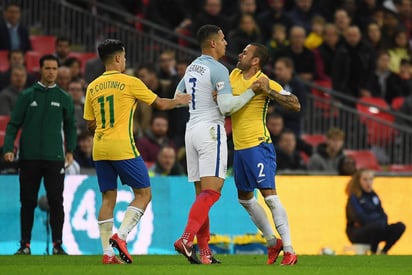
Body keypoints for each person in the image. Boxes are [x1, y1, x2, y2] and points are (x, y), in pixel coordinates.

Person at [83, 39, 191, 264]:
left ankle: (107, 253)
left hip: (100, 148)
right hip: (122, 146)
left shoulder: (92, 86)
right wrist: (180, 101)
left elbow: (89, 125)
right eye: (124, 57)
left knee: (108, 198)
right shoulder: (129, 82)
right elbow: (160, 104)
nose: (124, 61)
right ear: (117, 58)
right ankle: (120, 237)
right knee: (144, 194)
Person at [173, 24, 261, 265]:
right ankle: (186, 238)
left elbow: (178, 97)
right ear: (212, 43)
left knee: (202, 195)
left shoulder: (193, 66)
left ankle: (204, 253)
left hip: (191, 130)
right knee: (212, 193)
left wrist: (201, 99)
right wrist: (251, 92)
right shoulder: (219, 69)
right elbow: (227, 108)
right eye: (223, 39)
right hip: (211, 130)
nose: (226, 43)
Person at [230, 42, 300, 265]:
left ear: (255, 60)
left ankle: (289, 249)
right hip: (240, 148)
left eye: (245, 52)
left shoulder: (264, 81)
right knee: (245, 199)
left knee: (270, 196)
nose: (240, 54)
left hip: (258, 145)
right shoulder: (233, 74)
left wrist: (268, 92)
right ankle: (272, 242)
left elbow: (295, 104)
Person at [3, 54, 77, 255]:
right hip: (29, 158)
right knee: (27, 201)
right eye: (48, 68)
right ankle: (25, 245)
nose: (51, 72)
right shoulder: (27, 95)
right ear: (40, 70)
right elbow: (13, 124)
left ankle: (57, 244)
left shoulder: (64, 98)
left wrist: (70, 149)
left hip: (55, 158)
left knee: (56, 201)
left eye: (54, 68)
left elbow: (71, 127)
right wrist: (8, 148)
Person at [345, 169, 406, 254]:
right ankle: (373, 252)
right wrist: (377, 220)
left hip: (377, 229)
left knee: (400, 226)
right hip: (358, 232)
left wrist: (378, 220)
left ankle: (384, 251)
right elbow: (360, 217)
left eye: (370, 179)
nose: (368, 182)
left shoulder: (374, 196)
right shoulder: (354, 197)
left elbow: (383, 215)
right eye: (365, 179)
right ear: (358, 181)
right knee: (378, 226)